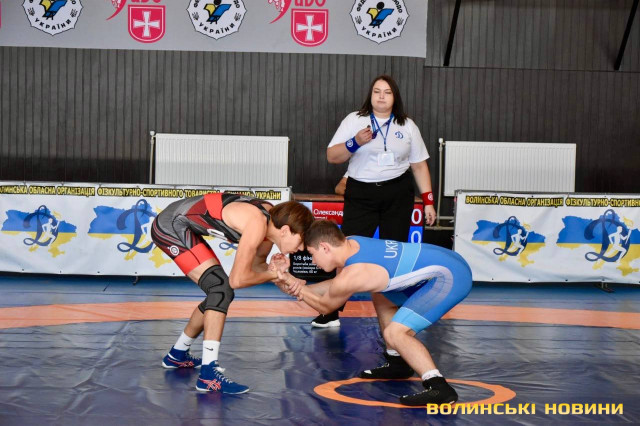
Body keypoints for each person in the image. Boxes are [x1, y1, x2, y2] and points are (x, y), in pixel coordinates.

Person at [273, 220, 472, 406]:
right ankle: (397, 363)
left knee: (396, 333)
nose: (313, 261)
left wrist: (289, 281)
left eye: (312, 253)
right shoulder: (351, 243)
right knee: (380, 294)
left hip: (451, 276)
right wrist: (291, 282)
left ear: (325, 247)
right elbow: (334, 286)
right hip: (447, 260)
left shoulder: (355, 273)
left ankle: (438, 387)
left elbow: (325, 306)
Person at [150, 193, 314, 394]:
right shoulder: (257, 222)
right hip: (170, 225)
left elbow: (257, 267)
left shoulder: (270, 227)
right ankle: (208, 375)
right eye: (301, 241)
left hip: (183, 224)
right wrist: (276, 275)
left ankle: (178, 354)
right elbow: (237, 280)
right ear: (286, 230)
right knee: (220, 288)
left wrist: (284, 279)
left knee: (219, 291)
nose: (301, 248)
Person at [315, 74, 438, 329]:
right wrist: (355, 142)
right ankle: (331, 310)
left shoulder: (407, 126)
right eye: (377, 91)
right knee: (347, 252)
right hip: (361, 193)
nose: (381, 96)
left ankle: (396, 312)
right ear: (370, 95)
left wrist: (428, 202)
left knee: (395, 254)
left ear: (395, 97)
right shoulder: (354, 120)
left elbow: (419, 166)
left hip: (397, 193)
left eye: (387, 92)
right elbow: (332, 156)